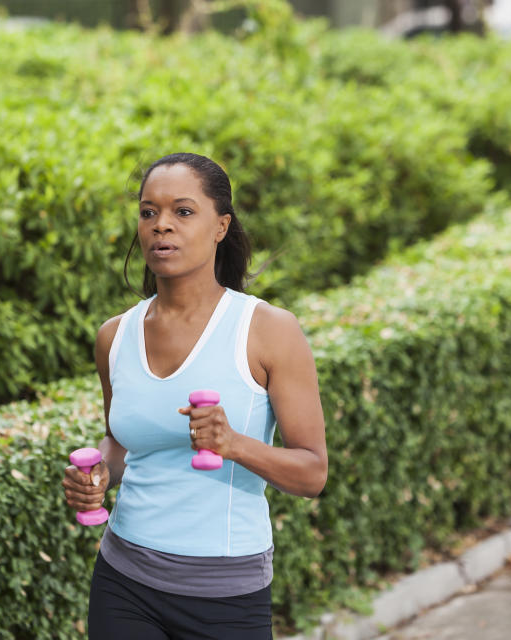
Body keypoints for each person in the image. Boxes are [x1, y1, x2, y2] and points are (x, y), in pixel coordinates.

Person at [62, 152, 328, 640]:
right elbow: (120, 445)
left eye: (183, 212)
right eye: (148, 212)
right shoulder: (114, 336)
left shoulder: (267, 331)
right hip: (124, 579)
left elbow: (313, 473)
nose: (161, 226)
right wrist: (99, 474)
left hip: (225, 594)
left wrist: (234, 444)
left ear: (220, 226)